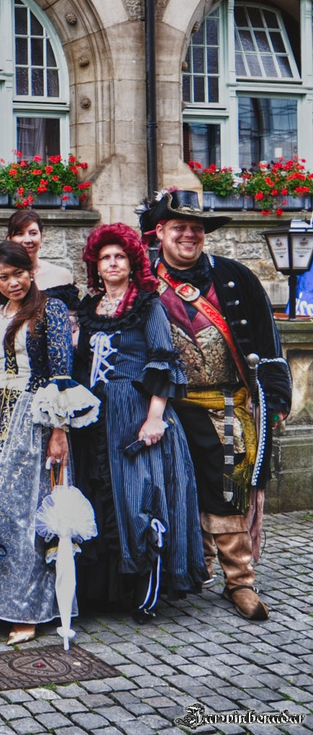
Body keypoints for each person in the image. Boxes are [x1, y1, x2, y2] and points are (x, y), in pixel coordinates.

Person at [140, 189, 292, 620]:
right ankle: (186, 571)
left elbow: (269, 341)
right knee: (170, 492)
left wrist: (277, 398)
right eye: (179, 228)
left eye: (196, 228)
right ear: (160, 232)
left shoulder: (235, 277)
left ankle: (239, 580)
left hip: (227, 405)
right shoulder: (145, 281)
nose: (189, 235)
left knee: (229, 493)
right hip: (166, 406)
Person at [0, 241, 96, 645]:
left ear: (30, 272)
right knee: (0, 507)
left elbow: (61, 374)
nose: (13, 282)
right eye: (3, 277)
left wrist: (59, 431)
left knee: (29, 511)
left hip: (34, 418)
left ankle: (30, 609)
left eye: (18, 273)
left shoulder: (50, 310)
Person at [71, 223, 204, 621]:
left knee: (138, 500)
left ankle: (142, 592)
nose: (112, 263)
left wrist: (155, 419)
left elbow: (163, 359)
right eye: (105, 258)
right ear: (96, 265)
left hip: (136, 414)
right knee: (98, 494)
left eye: (119, 257)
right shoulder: (88, 308)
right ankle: (103, 592)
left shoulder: (149, 306)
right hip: (94, 419)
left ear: (132, 264)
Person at [7, 208, 80, 309]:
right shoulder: (1, 279)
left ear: (42, 237)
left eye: (33, 233)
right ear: (9, 239)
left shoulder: (62, 275)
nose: (27, 240)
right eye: (20, 234)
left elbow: (72, 319)